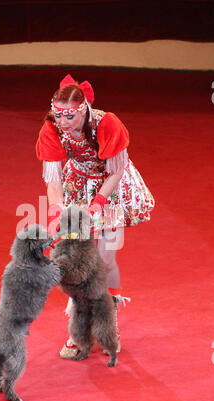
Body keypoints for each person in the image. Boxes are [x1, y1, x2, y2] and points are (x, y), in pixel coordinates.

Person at [36, 74, 155, 358]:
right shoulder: (52, 127)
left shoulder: (106, 123)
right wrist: (56, 210)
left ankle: (107, 325)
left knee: (105, 258)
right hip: (77, 184)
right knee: (79, 263)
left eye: (70, 118)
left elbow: (116, 170)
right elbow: (53, 179)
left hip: (110, 187)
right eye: (59, 116)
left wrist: (99, 202)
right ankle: (80, 332)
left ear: (84, 109)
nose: (63, 124)